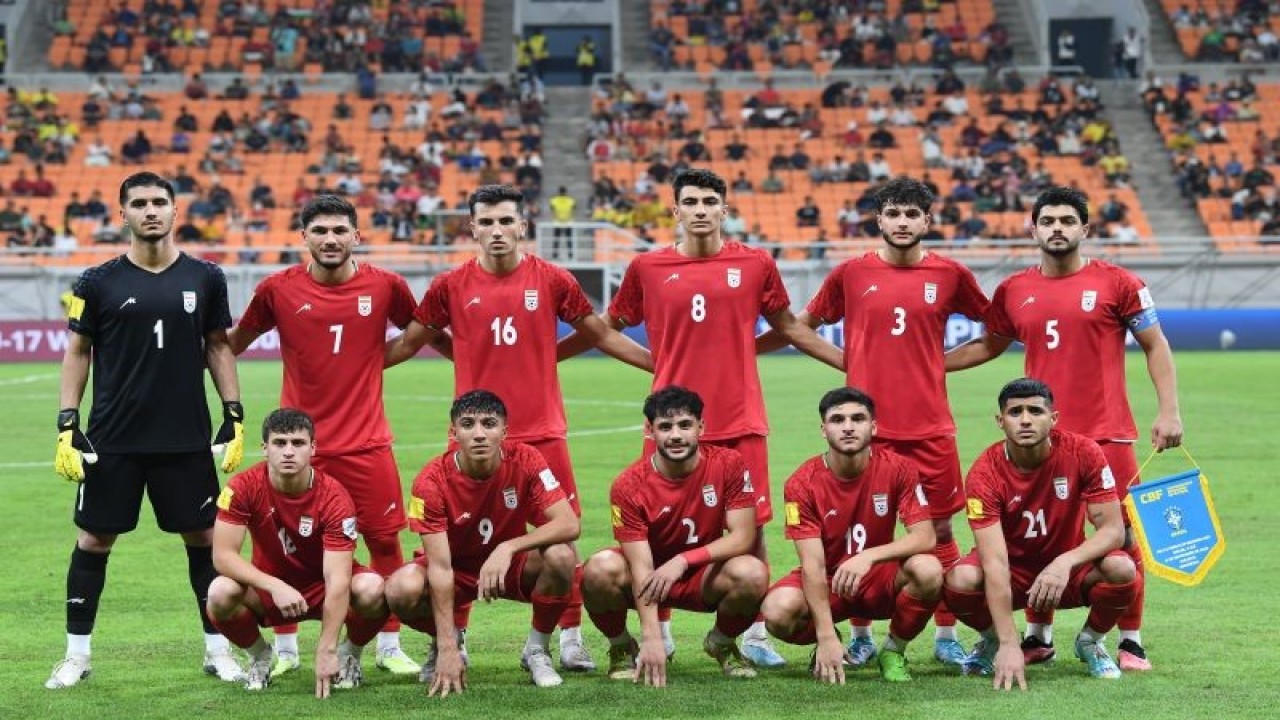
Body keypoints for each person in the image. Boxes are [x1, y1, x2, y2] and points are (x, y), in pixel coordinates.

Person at [563, 168, 844, 666]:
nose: (700, 210)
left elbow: (788, 327)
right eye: (690, 201)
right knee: (657, 523)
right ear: (675, 210)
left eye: (709, 201)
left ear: (724, 210)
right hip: (672, 422)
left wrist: (851, 364)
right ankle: (662, 629)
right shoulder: (647, 267)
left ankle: (752, 634)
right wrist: (657, 364)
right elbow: (606, 329)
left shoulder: (755, 263)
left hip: (740, 417)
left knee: (753, 527)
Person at [386, 184, 652, 675]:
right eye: (486, 222)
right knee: (458, 539)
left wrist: (661, 367)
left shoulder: (551, 278)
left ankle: (569, 638)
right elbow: (410, 342)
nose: (497, 230)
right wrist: (350, 369)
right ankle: (452, 638)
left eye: (506, 221)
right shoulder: (450, 284)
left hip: (542, 431)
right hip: (475, 433)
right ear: (472, 228)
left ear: (523, 226)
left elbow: (598, 333)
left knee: (562, 542)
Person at [945, 185, 1182, 670]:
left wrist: (1169, 411)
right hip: (1038, 438)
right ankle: (1039, 635)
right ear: (1032, 229)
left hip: (1106, 433)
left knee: (1124, 537)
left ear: (1084, 229)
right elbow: (989, 345)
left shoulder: (1120, 283)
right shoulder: (1014, 289)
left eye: (1067, 221)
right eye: (1048, 221)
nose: (1057, 228)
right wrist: (928, 364)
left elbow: (1156, 344)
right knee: (1043, 535)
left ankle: (1130, 640)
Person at [757, 175, 989, 667]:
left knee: (940, 531)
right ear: (878, 220)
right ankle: (861, 634)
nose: (902, 222)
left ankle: (946, 636)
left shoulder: (951, 274)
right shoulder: (851, 273)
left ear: (927, 221)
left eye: (912, 214)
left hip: (929, 428)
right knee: (860, 528)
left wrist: (936, 364)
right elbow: (801, 327)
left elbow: (997, 333)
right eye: (893, 213)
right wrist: (850, 363)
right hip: (865, 431)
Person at [47, 171, 246, 689]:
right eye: (139, 203)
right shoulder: (95, 281)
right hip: (113, 439)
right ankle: (76, 656)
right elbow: (78, 351)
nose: (150, 210)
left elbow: (218, 346)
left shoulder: (206, 276)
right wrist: (68, 421)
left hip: (185, 437)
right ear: (123, 214)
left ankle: (218, 650)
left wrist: (233, 412)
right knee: (94, 539)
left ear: (176, 210)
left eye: (159, 201)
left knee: (205, 538)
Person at [228, 195, 420, 678]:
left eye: (339, 230)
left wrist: (370, 362)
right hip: (298, 445)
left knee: (384, 544)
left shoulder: (385, 285)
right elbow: (236, 341)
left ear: (357, 235)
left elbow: (417, 334)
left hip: (366, 445)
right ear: (304, 237)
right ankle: (286, 647)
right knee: (278, 546)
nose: (330, 239)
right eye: (320, 231)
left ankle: (388, 645)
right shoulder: (277, 289)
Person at [944, 379, 1137, 687]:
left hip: (1069, 572)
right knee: (959, 580)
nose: (1025, 420)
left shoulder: (1083, 452)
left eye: (1035, 411)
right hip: (1013, 573)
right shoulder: (984, 473)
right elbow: (994, 562)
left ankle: (1090, 642)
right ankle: (992, 641)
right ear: (1000, 421)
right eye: (1015, 412)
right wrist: (1009, 642)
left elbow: (1114, 531)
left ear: (1053, 418)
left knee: (1122, 568)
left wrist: (1064, 562)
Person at [386, 390, 581, 693]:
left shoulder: (527, 459)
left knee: (562, 556)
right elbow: (440, 567)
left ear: (505, 431)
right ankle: (446, 642)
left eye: (489, 424)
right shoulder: (430, 481)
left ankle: (536, 650)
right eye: (468, 424)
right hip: (455, 569)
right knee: (400, 589)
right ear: (453, 433)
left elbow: (569, 523)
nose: (479, 434)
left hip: (509, 566)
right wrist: (447, 645)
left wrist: (508, 547)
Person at [582, 386, 767, 685]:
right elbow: (640, 566)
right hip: (649, 577)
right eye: (665, 427)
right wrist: (651, 637)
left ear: (701, 427)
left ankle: (722, 642)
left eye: (685, 425)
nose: (676, 435)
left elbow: (743, 537)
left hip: (702, 576)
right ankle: (621, 646)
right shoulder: (628, 485)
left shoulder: (729, 464)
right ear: (650, 431)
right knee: (599, 568)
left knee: (752, 572)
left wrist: (683, 560)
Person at [762, 387, 942, 683]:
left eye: (858, 419)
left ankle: (893, 651)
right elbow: (812, 565)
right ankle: (830, 640)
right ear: (824, 429)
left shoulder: (899, 468)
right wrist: (824, 636)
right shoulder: (801, 483)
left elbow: (925, 537)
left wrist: (867, 556)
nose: (848, 427)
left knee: (929, 569)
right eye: (837, 420)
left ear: (873, 426)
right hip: (829, 579)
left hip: (878, 577)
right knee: (777, 610)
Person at [206, 409, 389, 694]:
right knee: (219, 592)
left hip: (323, 587)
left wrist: (327, 649)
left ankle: (349, 653)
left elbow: (338, 579)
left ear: (313, 448)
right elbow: (223, 556)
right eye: (280, 443)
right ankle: (260, 656)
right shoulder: (242, 487)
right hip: (270, 589)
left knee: (372, 588)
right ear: (265, 448)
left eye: (298, 443)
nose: (289, 452)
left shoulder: (334, 496)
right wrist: (274, 585)